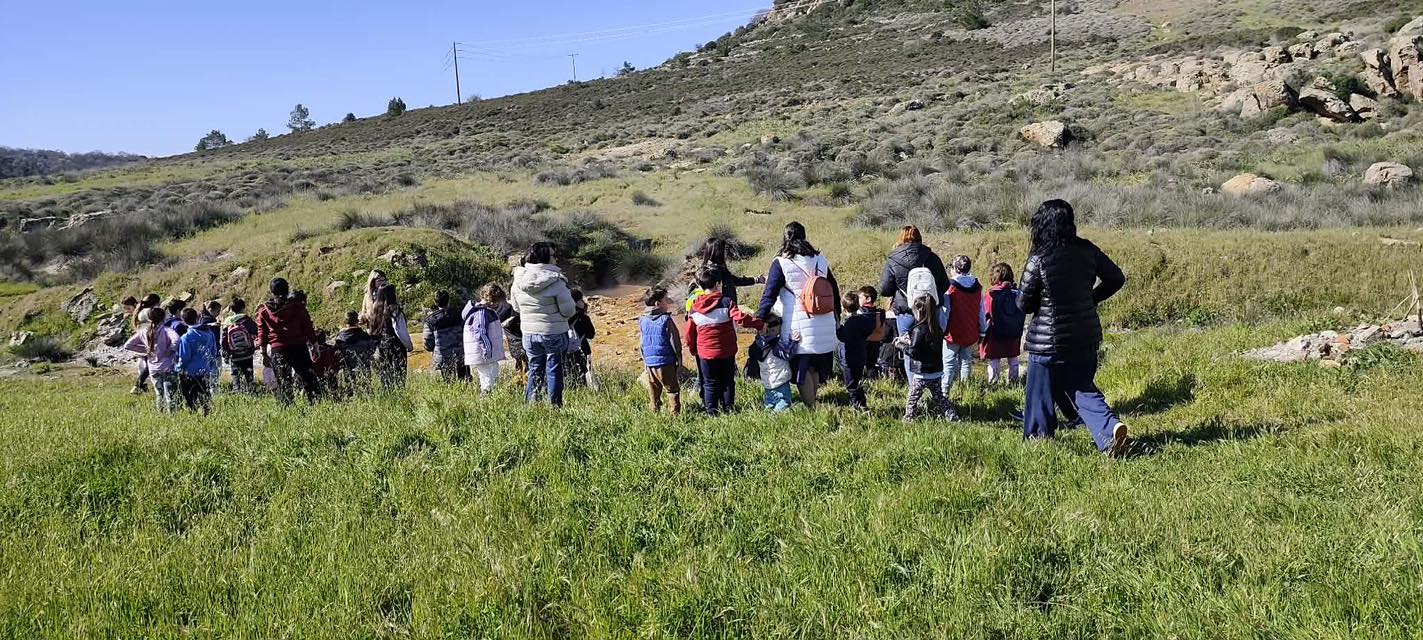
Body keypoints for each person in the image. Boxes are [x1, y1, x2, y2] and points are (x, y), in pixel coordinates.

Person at [1019, 199, 1131, 456]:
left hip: (1048, 342)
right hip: (1085, 336)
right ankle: (1110, 429)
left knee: (1039, 394)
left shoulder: (1039, 257)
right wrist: (1091, 298)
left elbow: (1023, 303)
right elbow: (1116, 278)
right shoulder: (1088, 250)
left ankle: (1039, 441)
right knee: (1081, 387)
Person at [755, 221, 840, 409]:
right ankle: (814, 401)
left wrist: (758, 320)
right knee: (814, 366)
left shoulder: (782, 263)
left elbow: (769, 295)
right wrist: (837, 315)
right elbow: (834, 289)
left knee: (801, 370)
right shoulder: (820, 260)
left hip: (798, 324)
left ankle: (812, 408)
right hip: (823, 319)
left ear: (786, 237)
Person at [686, 268, 764, 415]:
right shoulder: (726, 302)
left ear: (700, 287)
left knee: (709, 383)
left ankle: (711, 412)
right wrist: (759, 324)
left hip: (705, 354)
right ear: (718, 284)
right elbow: (741, 318)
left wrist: (693, 349)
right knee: (728, 381)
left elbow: (689, 334)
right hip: (726, 351)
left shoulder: (694, 309)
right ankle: (728, 409)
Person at [512, 242, 577, 407]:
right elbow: (569, 311)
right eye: (554, 255)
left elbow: (516, 306)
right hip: (553, 332)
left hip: (528, 333)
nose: (556, 258)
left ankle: (531, 404)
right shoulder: (556, 281)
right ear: (546, 258)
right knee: (554, 370)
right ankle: (555, 407)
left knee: (534, 368)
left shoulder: (519, 279)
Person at [878, 225, 951, 342]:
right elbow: (945, 285)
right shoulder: (932, 257)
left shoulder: (893, 260)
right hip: (931, 310)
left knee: (909, 350)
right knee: (933, 347)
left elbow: (884, 289)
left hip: (906, 310)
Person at [256, 277, 320, 406]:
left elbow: (262, 333)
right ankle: (315, 405)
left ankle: (288, 408)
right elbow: (307, 327)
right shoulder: (298, 307)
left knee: (284, 382)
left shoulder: (264, 311)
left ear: (271, 291)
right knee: (308, 379)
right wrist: (315, 345)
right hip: (299, 347)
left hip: (278, 349)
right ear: (287, 289)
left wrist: (263, 353)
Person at [897, 294, 958, 422]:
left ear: (918, 311)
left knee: (912, 398)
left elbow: (913, 351)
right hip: (936, 371)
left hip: (921, 373)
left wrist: (901, 345)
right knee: (939, 398)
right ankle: (951, 415)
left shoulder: (918, 330)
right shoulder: (937, 328)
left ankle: (908, 419)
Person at [942, 255, 987, 393]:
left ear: (955, 268)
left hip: (953, 331)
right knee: (966, 362)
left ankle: (945, 392)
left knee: (949, 363)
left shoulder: (950, 287)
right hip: (970, 330)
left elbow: (945, 311)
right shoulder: (977, 286)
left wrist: (941, 329)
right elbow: (981, 310)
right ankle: (965, 391)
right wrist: (983, 330)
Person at [124, 307, 179, 413]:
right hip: (168, 367)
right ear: (163, 318)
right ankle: (172, 416)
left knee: (159, 394)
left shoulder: (143, 331)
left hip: (153, 368)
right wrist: (170, 349)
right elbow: (176, 339)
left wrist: (145, 350)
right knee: (170, 395)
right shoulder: (166, 330)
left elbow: (128, 345)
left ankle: (161, 414)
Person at [637, 287, 683, 415]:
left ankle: (654, 411)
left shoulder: (642, 320)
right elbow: (675, 342)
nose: (668, 302)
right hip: (666, 361)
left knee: (654, 389)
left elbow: (641, 342)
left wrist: (645, 360)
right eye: (665, 300)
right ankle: (675, 415)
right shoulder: (666, 320)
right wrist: (679, 358)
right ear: (658, 303)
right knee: (672, 389)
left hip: (650, 362)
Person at [982, 262, 1025, 384]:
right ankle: (1014, 383)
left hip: (996, 333)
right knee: (1013, 359)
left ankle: (993, 384)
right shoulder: (1018, 293)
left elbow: (986, 313)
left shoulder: (991, 294)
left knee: (994, 359)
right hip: (1014, 332)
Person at [745, 313, 796, 413]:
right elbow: (787, 354)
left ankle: (768, 413)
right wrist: (793, 341)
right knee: (784, 401)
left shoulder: (757, 344)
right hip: (780, 379)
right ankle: (778, 416)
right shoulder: (775, 344)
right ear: (771, 329)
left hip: (767, 382)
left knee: (770, 401)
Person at [463, 284, 508, 394]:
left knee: (488, 376)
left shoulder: (480, 310)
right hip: (484, 353)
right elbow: (480, 332)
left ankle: (487, 398)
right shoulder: (481, 312)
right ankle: (487, 399)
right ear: (493, 299)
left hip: (482, 353)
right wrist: (487, 350)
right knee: (489, 378)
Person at [367, 284, 413, 391]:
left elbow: (372, 332)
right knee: (399, 379)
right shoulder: (395, 311)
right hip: (396, 347)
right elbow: (400, 331)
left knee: (386, 380)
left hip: (382, 348)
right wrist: (409, 346)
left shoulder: (375, 312)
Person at [837, 292, 877, 412]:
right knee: (857, 379)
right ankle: (861, 401)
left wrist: (838, 328)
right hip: (861, 356)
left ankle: (858, 405)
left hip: (848, 358)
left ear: (844, 308)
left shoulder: (848, 323)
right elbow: (869, 330)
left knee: (850, 384)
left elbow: (843, 337)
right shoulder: (864, 319)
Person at [694, 235, 764, 305]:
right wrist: (756, 280)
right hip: (725, 310)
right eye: (723, 250)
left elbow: (734, 280)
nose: (725, 253)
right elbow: (735, 281)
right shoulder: (717, 272)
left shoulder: (704, 271)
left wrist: (756, 280)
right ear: (718, 253)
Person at [176, 308, 219, 415]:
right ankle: (208, 415)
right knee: (205, 395)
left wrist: (179, 369)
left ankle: (193, 415)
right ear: (197, 318)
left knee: (190, 397)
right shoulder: (209, 333)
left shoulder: (186, 337)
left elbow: (184, 358)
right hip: (205, 370)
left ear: (183, 321)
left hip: (190, 373)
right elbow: (214, 352)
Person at [423, 290, 467, 383]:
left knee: (449, 382)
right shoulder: (459, 314)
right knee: (465, 381)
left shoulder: (431, 320)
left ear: (435, 302)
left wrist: (432, 350)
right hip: (461, 355)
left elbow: (428, 341)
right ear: (449, 301)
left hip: (443, 358)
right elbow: (467, 332)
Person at [334, 311, 378, 396]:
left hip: (348, 372)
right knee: (367, 391)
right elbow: (373, 350)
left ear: (345, 322)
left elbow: (337, 354)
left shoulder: (340, 339)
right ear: (357, 321)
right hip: (364, 369)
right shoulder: (365, 336)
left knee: (351, 392)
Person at [222, 298, 259, 394]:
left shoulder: (226, 322)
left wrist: (225, 353)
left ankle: (237, 391)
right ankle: (251, 391)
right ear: (243, 308)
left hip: (234, 354)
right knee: (248, 372)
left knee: (235, 373)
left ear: (231, 309)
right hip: (247, 352)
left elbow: (223, 340)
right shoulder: (246, 319)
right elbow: (256, 331)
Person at [564, 289, 597, 390]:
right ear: (578, 302)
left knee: (568, 371)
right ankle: (585, 390)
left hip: (565, 349)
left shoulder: (563, 316)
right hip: (583, 349)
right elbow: (591, 335)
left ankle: (570, 389)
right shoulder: (584, 318)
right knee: (585, 371)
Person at [128, 293, 160, 395]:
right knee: (149, 365)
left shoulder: (140, 312)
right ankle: (138, 385)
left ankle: (142, 387)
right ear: (155, 303)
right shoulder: (150, 312)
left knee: (146, 365)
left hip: (143, 340)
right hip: (150, 340)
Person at [857, 286, 890, 381]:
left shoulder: (860, 312)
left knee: (859, 363)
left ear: (868, 299)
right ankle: (873, 381)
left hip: (863, 342)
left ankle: (859, 381)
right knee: (871, 364)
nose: (858, 299)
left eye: (860, 297)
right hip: (876, 342)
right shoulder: (880, 312)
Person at [310, 330, 343, 399]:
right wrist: (335, 370)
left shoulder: (312, 352)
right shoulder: (331, 349)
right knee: (334, 395)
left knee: (318, 397)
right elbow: (339, 361)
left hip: (316, 377)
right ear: (325, 338)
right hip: (331, 375)